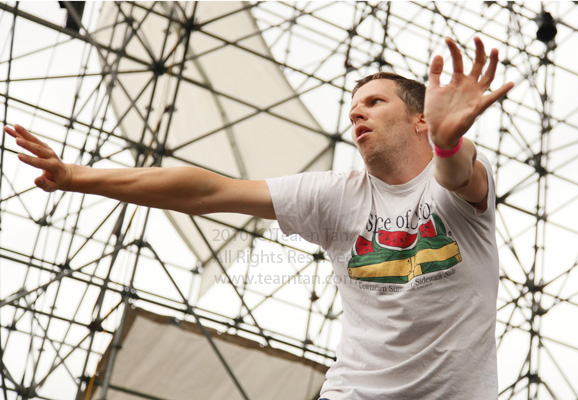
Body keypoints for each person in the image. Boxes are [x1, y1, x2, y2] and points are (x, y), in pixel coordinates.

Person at [5, 37, 513, 399]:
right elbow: (210, 190)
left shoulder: (456, 180)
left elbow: (458, 173)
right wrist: (75, 176)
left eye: (374, 102)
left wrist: (448, 142)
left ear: (420, 119)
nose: (356, 113)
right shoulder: (337, 195)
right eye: (353, 108)